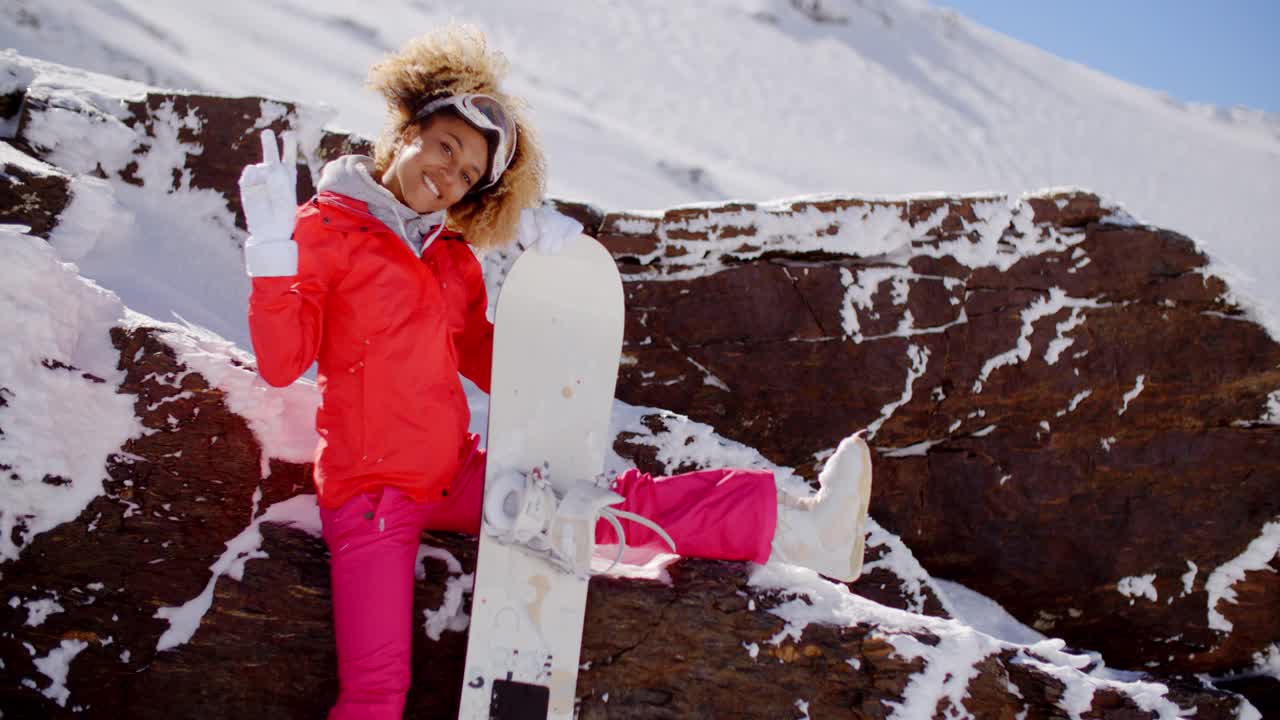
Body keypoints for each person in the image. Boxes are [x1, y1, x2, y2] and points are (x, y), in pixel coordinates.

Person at [238, 25, 872, 720]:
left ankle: (803, 530)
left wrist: (549, 273)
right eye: (446, 147)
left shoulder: (447, 256)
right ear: (409, 129)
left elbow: (496, 363)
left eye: (467, 174)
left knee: (599, 505)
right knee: (377, 690)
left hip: (454, 472)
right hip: (371, 495)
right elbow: (283, 362)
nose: (448, 175)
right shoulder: (324, 230)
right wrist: (270, 253)